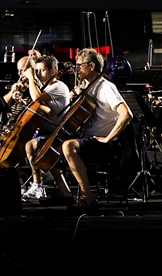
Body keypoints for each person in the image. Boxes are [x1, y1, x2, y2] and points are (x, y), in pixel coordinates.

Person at [38, 48, 131, 211]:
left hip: (105, 143)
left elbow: (126, 114)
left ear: (92, 66)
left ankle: (87, 198)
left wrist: (108, 138)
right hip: (89, 138)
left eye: (80, 65)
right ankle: (64, 193)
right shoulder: (87, 87)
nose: (77, 69)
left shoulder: (105, 87)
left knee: (69, 146)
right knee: (45, 146)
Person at [20, 55, 73, 199]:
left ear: (53, 71)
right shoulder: (46, 87)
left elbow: (37, 98)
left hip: (56, 132)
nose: (38, 74)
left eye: (42, 70)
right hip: (45, 131)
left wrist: (31, 78)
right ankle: (63, 191)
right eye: (36, 70)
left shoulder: (59, 86)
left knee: (30, 146)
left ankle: (38, 185)